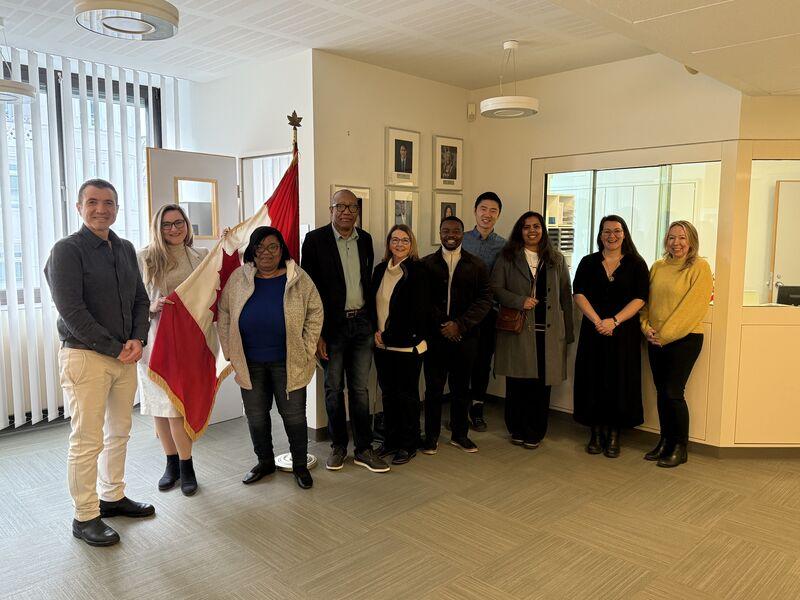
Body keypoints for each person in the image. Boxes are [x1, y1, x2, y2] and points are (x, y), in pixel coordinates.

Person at [44, 178, 154, 547]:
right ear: (79, 207)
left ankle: (112, 497)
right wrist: (115, 347)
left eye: (109, 203)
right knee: (87, 439)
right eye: (92, 202)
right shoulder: (67, 250)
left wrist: (138, 338)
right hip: (86, 357)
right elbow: (72, 311)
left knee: (119, 432)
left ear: (117, 208)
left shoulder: (124, 248)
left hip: (124, 355)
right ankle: (85, 516)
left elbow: (141, 298)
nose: (101, 209)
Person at [218, 227, 323, 489]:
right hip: (249, 361)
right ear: (252, 250)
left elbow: (315, 311)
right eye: (260, 247)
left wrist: (308, 347)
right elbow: (225, 313)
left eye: (273, 247)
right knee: (256, 416)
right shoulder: (238, 278)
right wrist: (230, 350)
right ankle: (264, 462)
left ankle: (300, 464)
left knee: (295, 416)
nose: (266, 253)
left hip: (288, 362)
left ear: (282, 249)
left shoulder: (297, 278)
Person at [301, 189, 390, 473]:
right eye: (341, 206)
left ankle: (363, 448)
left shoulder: (365, 240)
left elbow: (367, 283)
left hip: (362, 324)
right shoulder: (315, 241)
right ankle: (338, 446)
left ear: (357, 211)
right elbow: (308, 291)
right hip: (332, 328)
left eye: (352, 207)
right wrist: (316, 333)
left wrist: (374, 323)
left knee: (361, 389)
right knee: (333, 388)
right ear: (331, 209)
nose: (346, 212)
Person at [137, 204, 208, 495]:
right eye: (167, 225)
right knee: (159, 408)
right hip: (154, 342)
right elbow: (133, 301)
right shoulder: (145, 258)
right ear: (158, 228)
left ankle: (187, 464)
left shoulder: (200, 256)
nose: (174, 229)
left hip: (187, 345)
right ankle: (171, 464)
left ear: (187, 225)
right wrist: (151, 307)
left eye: (179, 223)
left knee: (177, 408)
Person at [491, 211, 574, 449]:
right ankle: (516, 428)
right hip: (518, 330)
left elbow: (565, 296)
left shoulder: (556, 259)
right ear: (520, 230)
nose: (532, 231)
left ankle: (535, 431)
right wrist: (519, 300)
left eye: (536, 226)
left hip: (548, 333)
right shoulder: (507, 257)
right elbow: (495, 288)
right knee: (518, 383)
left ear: (543, 230)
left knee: (540, 386)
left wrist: (567, 333)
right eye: (526, 227)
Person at [572, 215, 649, 458]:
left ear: (624, 233)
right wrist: (598, 321)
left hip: (623, 331)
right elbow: (579, 293)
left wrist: (614, 321)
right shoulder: (588, 262)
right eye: (606, 231)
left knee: (619, 381)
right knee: (593, 379)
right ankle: (595, 432)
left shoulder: (636, 263)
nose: (611, 236)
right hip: (594, 330)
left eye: (616, 231)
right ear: (600, 235)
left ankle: (614, 434)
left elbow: (641, 297)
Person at [641, 220, 713, 468]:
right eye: (671, 237)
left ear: (691, 240)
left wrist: (665, 335)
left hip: (685, 339)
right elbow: (646, 303)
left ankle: (680, 447)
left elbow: (693, 309)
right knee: (662, 393)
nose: (676, 243)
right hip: (655, 338)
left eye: (682, 238)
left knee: (673, 393)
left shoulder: (700, 267)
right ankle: (665, 441)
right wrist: (646, 328)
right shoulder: (658, 267)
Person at [421, 216, 492, 454]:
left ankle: (460, 435)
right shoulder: (426, 264)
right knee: (434, 389)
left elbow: (485, 300)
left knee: (462, 388)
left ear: (463, 234)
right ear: (439, 233)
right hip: (435, 337)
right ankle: (430, 437)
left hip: (466, 337)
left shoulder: (477, 265)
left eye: (455, 231)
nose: (450, 234)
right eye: (445, 230)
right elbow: (424, 300)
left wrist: (459, 325)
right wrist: (444, 324)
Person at [369, 224, 431, 465]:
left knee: (407, 396)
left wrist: (389, 336)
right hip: (382, 344)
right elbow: (373, 304)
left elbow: (417, 313)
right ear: (388, 243)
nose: (399, 244)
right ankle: (391, 440)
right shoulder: (380, 270)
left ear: (411, 243)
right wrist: (377, 331)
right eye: (394, 240)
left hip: (407, 346)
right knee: (389, 395)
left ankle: (409, 443)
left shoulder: (418, 271)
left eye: (404, 240)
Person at [461, 191, 506, 431]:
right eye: (483, 209)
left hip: (489, 313)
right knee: (461, 362)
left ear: (498, 215)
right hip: (462, 314)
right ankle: (460, 408)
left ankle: (477, 408)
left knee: (482, 362)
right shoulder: (462, 239)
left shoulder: (504, 246)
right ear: (475, 211)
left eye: (493, 210)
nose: (487, 214)